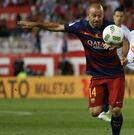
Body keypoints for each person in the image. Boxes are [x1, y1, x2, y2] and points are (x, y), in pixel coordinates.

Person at [18, 3, 126, 135]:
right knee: (94, 112)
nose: (97, 19)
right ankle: (104, 102)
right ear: (88, 16)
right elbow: (57, 27)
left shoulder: (111, 28)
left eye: (100, 16)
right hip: (97, 75)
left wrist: (118, 47)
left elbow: (124, 40)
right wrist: (36, 24)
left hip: (115, 74)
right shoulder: (81, 27)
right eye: (94, 16)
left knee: (115, 110)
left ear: (103, 16)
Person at [97, 6, 130, 122]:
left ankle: (105, 110)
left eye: (121, 16)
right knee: (106, 86)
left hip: (119, 63)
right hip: (106, 61)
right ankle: (103, 110)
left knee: (114, 88)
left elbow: (127, 44)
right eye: (117, 16)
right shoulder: (108, 29)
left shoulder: (126, 31)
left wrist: (124, 57)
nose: (119, 18)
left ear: (124, 17)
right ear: (113, 17)